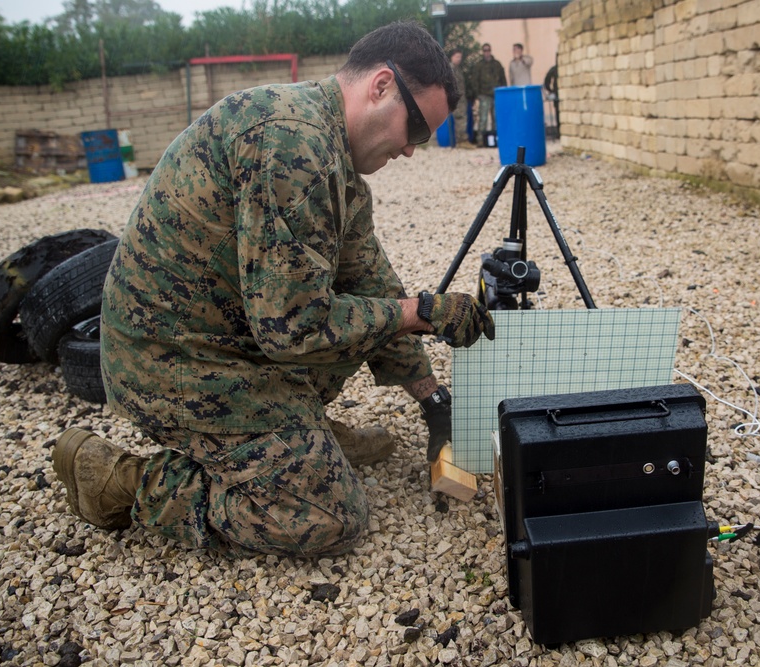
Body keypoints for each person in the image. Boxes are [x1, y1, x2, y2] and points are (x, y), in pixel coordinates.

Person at [51, 21, 495, 559]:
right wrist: (421, 312)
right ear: (381, 86)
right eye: (418, 130)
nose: (411, 151)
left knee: (370, 316)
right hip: (168, 361)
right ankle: (121, 480)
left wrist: (433, 399)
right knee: (328, 516)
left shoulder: (336, 162)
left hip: (226, 338)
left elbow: (373, 286)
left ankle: (295, 435)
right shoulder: (294, 145)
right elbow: (295, 328)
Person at [468, 43, 505, 147]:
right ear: (482, 52)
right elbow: (474, 81)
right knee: (483, 118)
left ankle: (497, 139)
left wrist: (502, 93)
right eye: (485, 50)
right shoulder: (479, 65)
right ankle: (480, 140)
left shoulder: (497, 64)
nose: (487, 52)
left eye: (488, 50)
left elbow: (503, 79)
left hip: (496, 94)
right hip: (484, 95)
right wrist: (478, 94)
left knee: (496, 118)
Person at [449, 48, 470, 145]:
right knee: (460, 118)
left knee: (462, 118)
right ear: (452, 57)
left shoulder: (458, 69)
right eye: (457, 57)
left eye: (460, 57)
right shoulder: (451, 69)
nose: (459, 59)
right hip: (456, 98)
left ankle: (462, 139)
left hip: (461, 98)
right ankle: (461, 140)